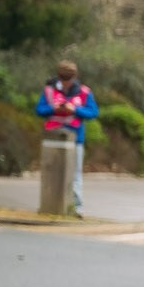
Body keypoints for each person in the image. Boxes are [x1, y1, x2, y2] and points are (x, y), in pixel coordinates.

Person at [36, 59, 99, 214]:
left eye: (68, 79)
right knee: (51, 173)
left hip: (75, 138)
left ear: (74, 77)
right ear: (58, 77)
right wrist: (53, 108)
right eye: (62, 79)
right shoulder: (49, 90)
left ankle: (75, 207)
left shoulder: (84, 92)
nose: (65, 83)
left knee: (75, 174)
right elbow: (39, 109)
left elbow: (93, 112)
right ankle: (50, 205)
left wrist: (75, 110)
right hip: (53, 138)